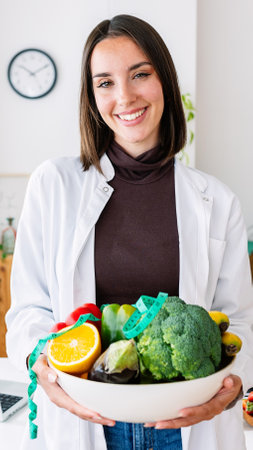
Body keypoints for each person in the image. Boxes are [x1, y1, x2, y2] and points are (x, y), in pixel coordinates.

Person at [5, 13, 253, 450]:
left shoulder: (217, 201)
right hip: (86, 422)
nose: (125, 96)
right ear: (91, 97)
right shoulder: (54, 184)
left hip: (187, 426)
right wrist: (41, 362)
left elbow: (240, 324)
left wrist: (231, 390)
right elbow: (27, 310)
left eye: (140, 74)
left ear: (165, 82)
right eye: (105, 82)